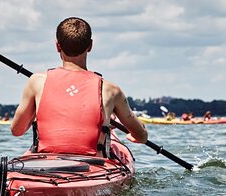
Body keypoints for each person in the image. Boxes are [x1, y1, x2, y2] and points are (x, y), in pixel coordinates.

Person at [10, 17, 148, 156]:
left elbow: (17, 130)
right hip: (93, 166)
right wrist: (136, 134)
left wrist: (38, 110)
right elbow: (141, 136)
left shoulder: (37, 82)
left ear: (58, 46)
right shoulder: (110, 90)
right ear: (90, 46)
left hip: (47, 164)